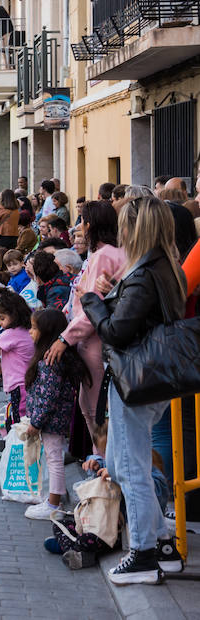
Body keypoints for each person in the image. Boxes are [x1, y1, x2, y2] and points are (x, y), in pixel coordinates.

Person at [82, 195, 188, 585]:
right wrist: (114, 295)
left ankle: (143, 554)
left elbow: (115, 331)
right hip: (152, 379)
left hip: (136, 382)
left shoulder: (145, 273)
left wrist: (93, 302)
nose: (121, 230)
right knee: (130, 463)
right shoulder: (161, 266)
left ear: (137, 228)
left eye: (125, 223)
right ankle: (163, 545)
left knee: (129, 467)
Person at [20, 306, 88, 521]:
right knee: (52, 457)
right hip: (54, 417)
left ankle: (53, 504)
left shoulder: (50, 360)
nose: (30, 332)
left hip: (52, 419)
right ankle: (52, 497)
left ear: (47, 331)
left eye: (33, 328)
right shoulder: (54, 356)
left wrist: (37, 422)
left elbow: (48, 396)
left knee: (53, 457)